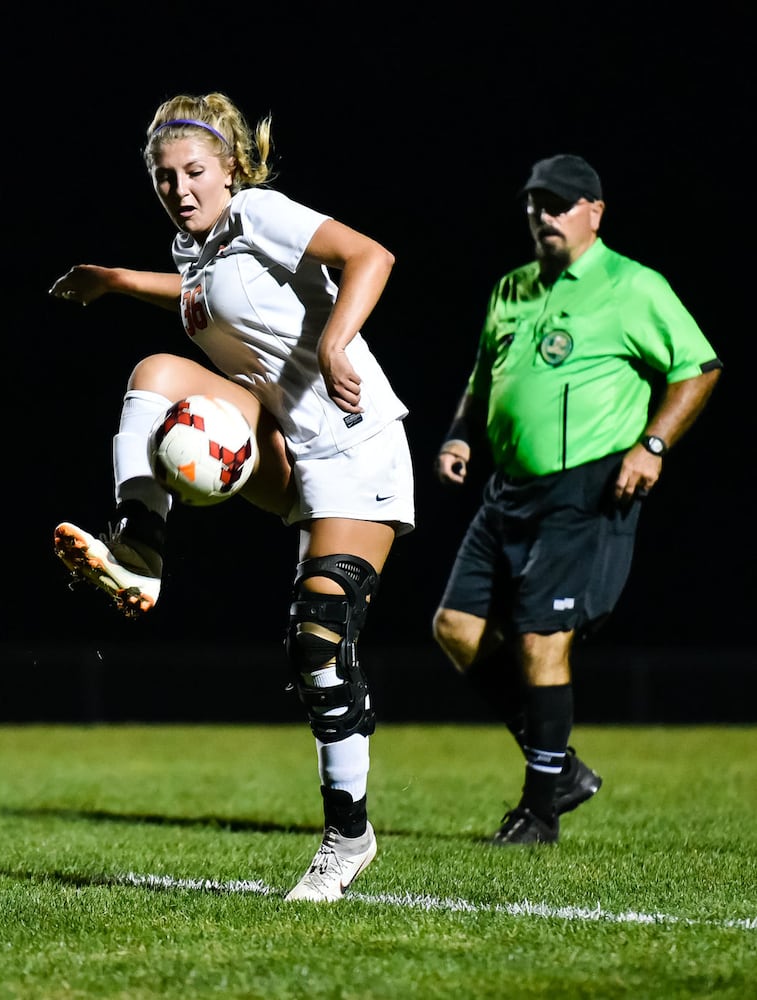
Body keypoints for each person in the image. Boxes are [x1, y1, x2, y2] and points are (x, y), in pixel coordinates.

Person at [48, 93, 414, 903]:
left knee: (319, 639)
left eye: (194, 172)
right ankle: (138, 550)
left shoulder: (257, 210)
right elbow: (194, 287)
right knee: (154, 376)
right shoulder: (199, 249)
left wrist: (334, 338)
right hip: (285, 447)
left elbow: (372, 256)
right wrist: (114, 280)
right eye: (165, 176)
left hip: (354, 445)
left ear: (231, 169)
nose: (180, 188)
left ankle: (347, 839)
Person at [432, 154, 722, 846]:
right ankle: (558, 766)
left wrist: (651, 446)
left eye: (560, 204)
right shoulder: (511, 288)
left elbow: (698, 367)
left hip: (585, 484)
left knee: (540, 639)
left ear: (594, 211)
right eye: (536, 204)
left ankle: (538, 810)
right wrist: (458, 435)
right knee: (455, 628)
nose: (545, 216)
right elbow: (482, 377)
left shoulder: (631, 285)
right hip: (508, 489)